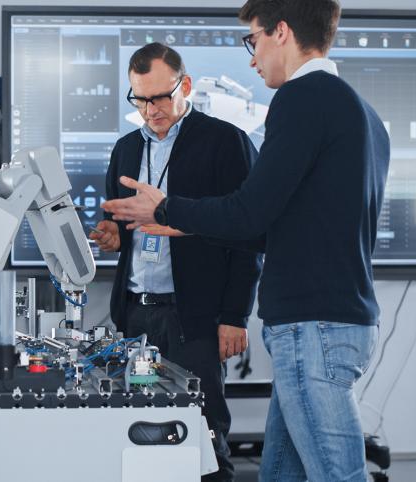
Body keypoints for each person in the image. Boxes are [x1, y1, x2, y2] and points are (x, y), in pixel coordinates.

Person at [102, 1, 391, 480]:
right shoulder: (361, 110)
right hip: (329, 319)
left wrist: (168, 208)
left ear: (281, 32)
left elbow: (248, 212)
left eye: (252, 40)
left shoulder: (302, 100)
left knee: (338, 476)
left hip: (311, 326)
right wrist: (176, 223)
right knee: (280, 472)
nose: (251, 58)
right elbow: (269, 226)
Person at [88, 42, 262, 482]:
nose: (150, 110)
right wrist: (111, 235)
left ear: (184, 86)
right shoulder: (126, 149)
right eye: (140, 99)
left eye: (160, 97)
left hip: (195, 320)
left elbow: (247, 236)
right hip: (137, 317)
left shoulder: (225, 143)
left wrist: (235, 316)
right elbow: (118, 225)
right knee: (144, 430)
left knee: (203, 434)